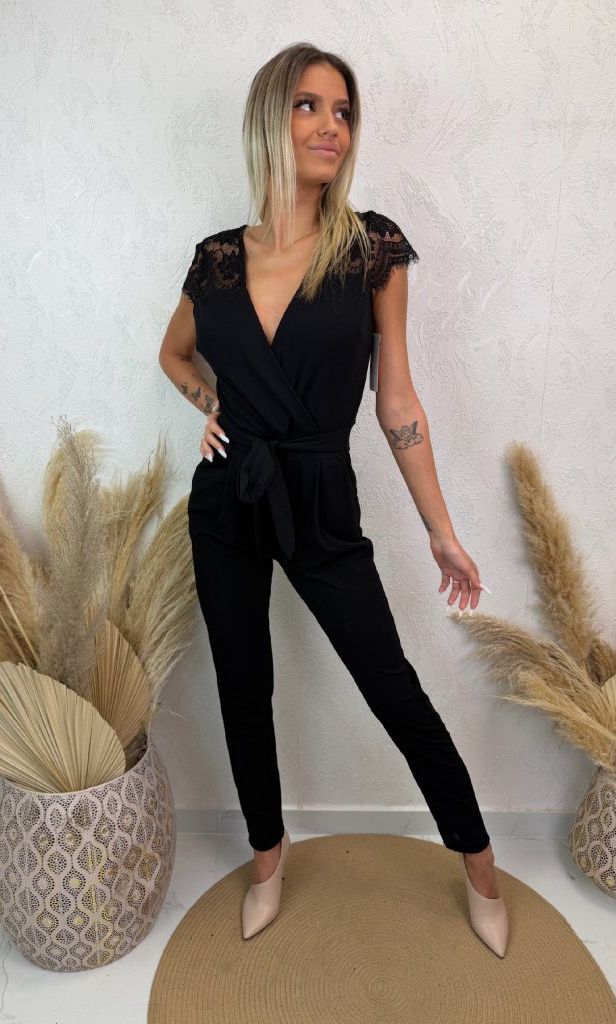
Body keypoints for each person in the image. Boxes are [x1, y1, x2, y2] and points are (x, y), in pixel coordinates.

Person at [157, 42, 508, 956]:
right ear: (270, 119)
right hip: (227, 496)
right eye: (308, 106)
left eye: (343, 111)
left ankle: (479, 863)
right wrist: (208, 405)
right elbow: (173, 352)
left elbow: (398, 403)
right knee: (243, 685)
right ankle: (267, 859)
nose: (330, 126)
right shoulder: (217, 261)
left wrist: (442, 532)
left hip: (319, 495)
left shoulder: (370, 250)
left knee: (390, 683)